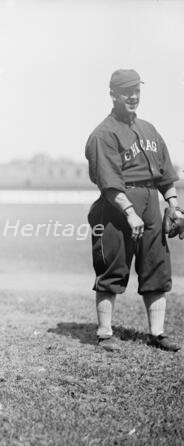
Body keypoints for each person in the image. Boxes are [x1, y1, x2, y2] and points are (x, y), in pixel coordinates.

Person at [85, 69, 181, 352]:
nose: (134, 95)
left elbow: (166, 174)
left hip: (151, 200)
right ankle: (105, 333)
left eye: (137, 89)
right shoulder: (103, 134)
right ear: (113, 94)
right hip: (117, 205)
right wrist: (129, 211)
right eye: (127, 91)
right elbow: (108, 180)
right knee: (112, 268)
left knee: (156, 267)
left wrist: (174, 207)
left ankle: (158, 333)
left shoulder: (150, 129)